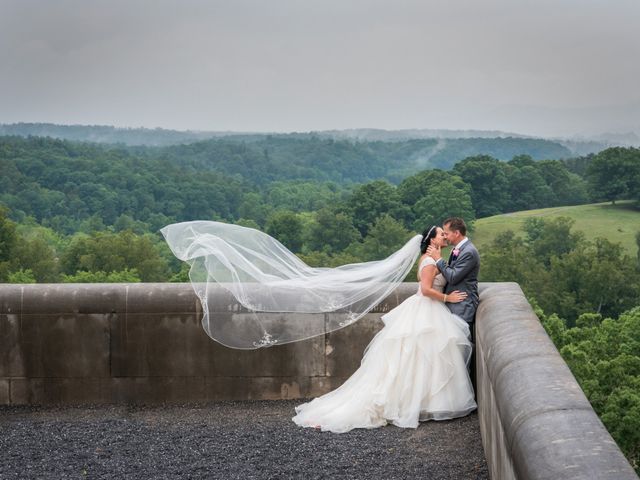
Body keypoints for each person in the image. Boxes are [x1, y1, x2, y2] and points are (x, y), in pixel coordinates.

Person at [292, 226, 477, 433]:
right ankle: (412, 404)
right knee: (418, 357)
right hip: (427, 309)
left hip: (431, 311)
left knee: (423, 358)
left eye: (445, 233)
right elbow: (425, 290)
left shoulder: (433, 258)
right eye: (441, 233)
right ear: (432, 240)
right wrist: (447, 298)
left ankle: (425, 403)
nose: (444, 236)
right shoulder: (429, 261)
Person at [425, 217, 480, 389]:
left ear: (457, 233)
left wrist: (439, 260)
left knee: (459, 353)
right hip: (453, 305)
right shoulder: (458, 250)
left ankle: (460, 390)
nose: (446, 237)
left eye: (447, 233)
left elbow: (454, 276)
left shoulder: (469, 251)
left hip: (462, 306)